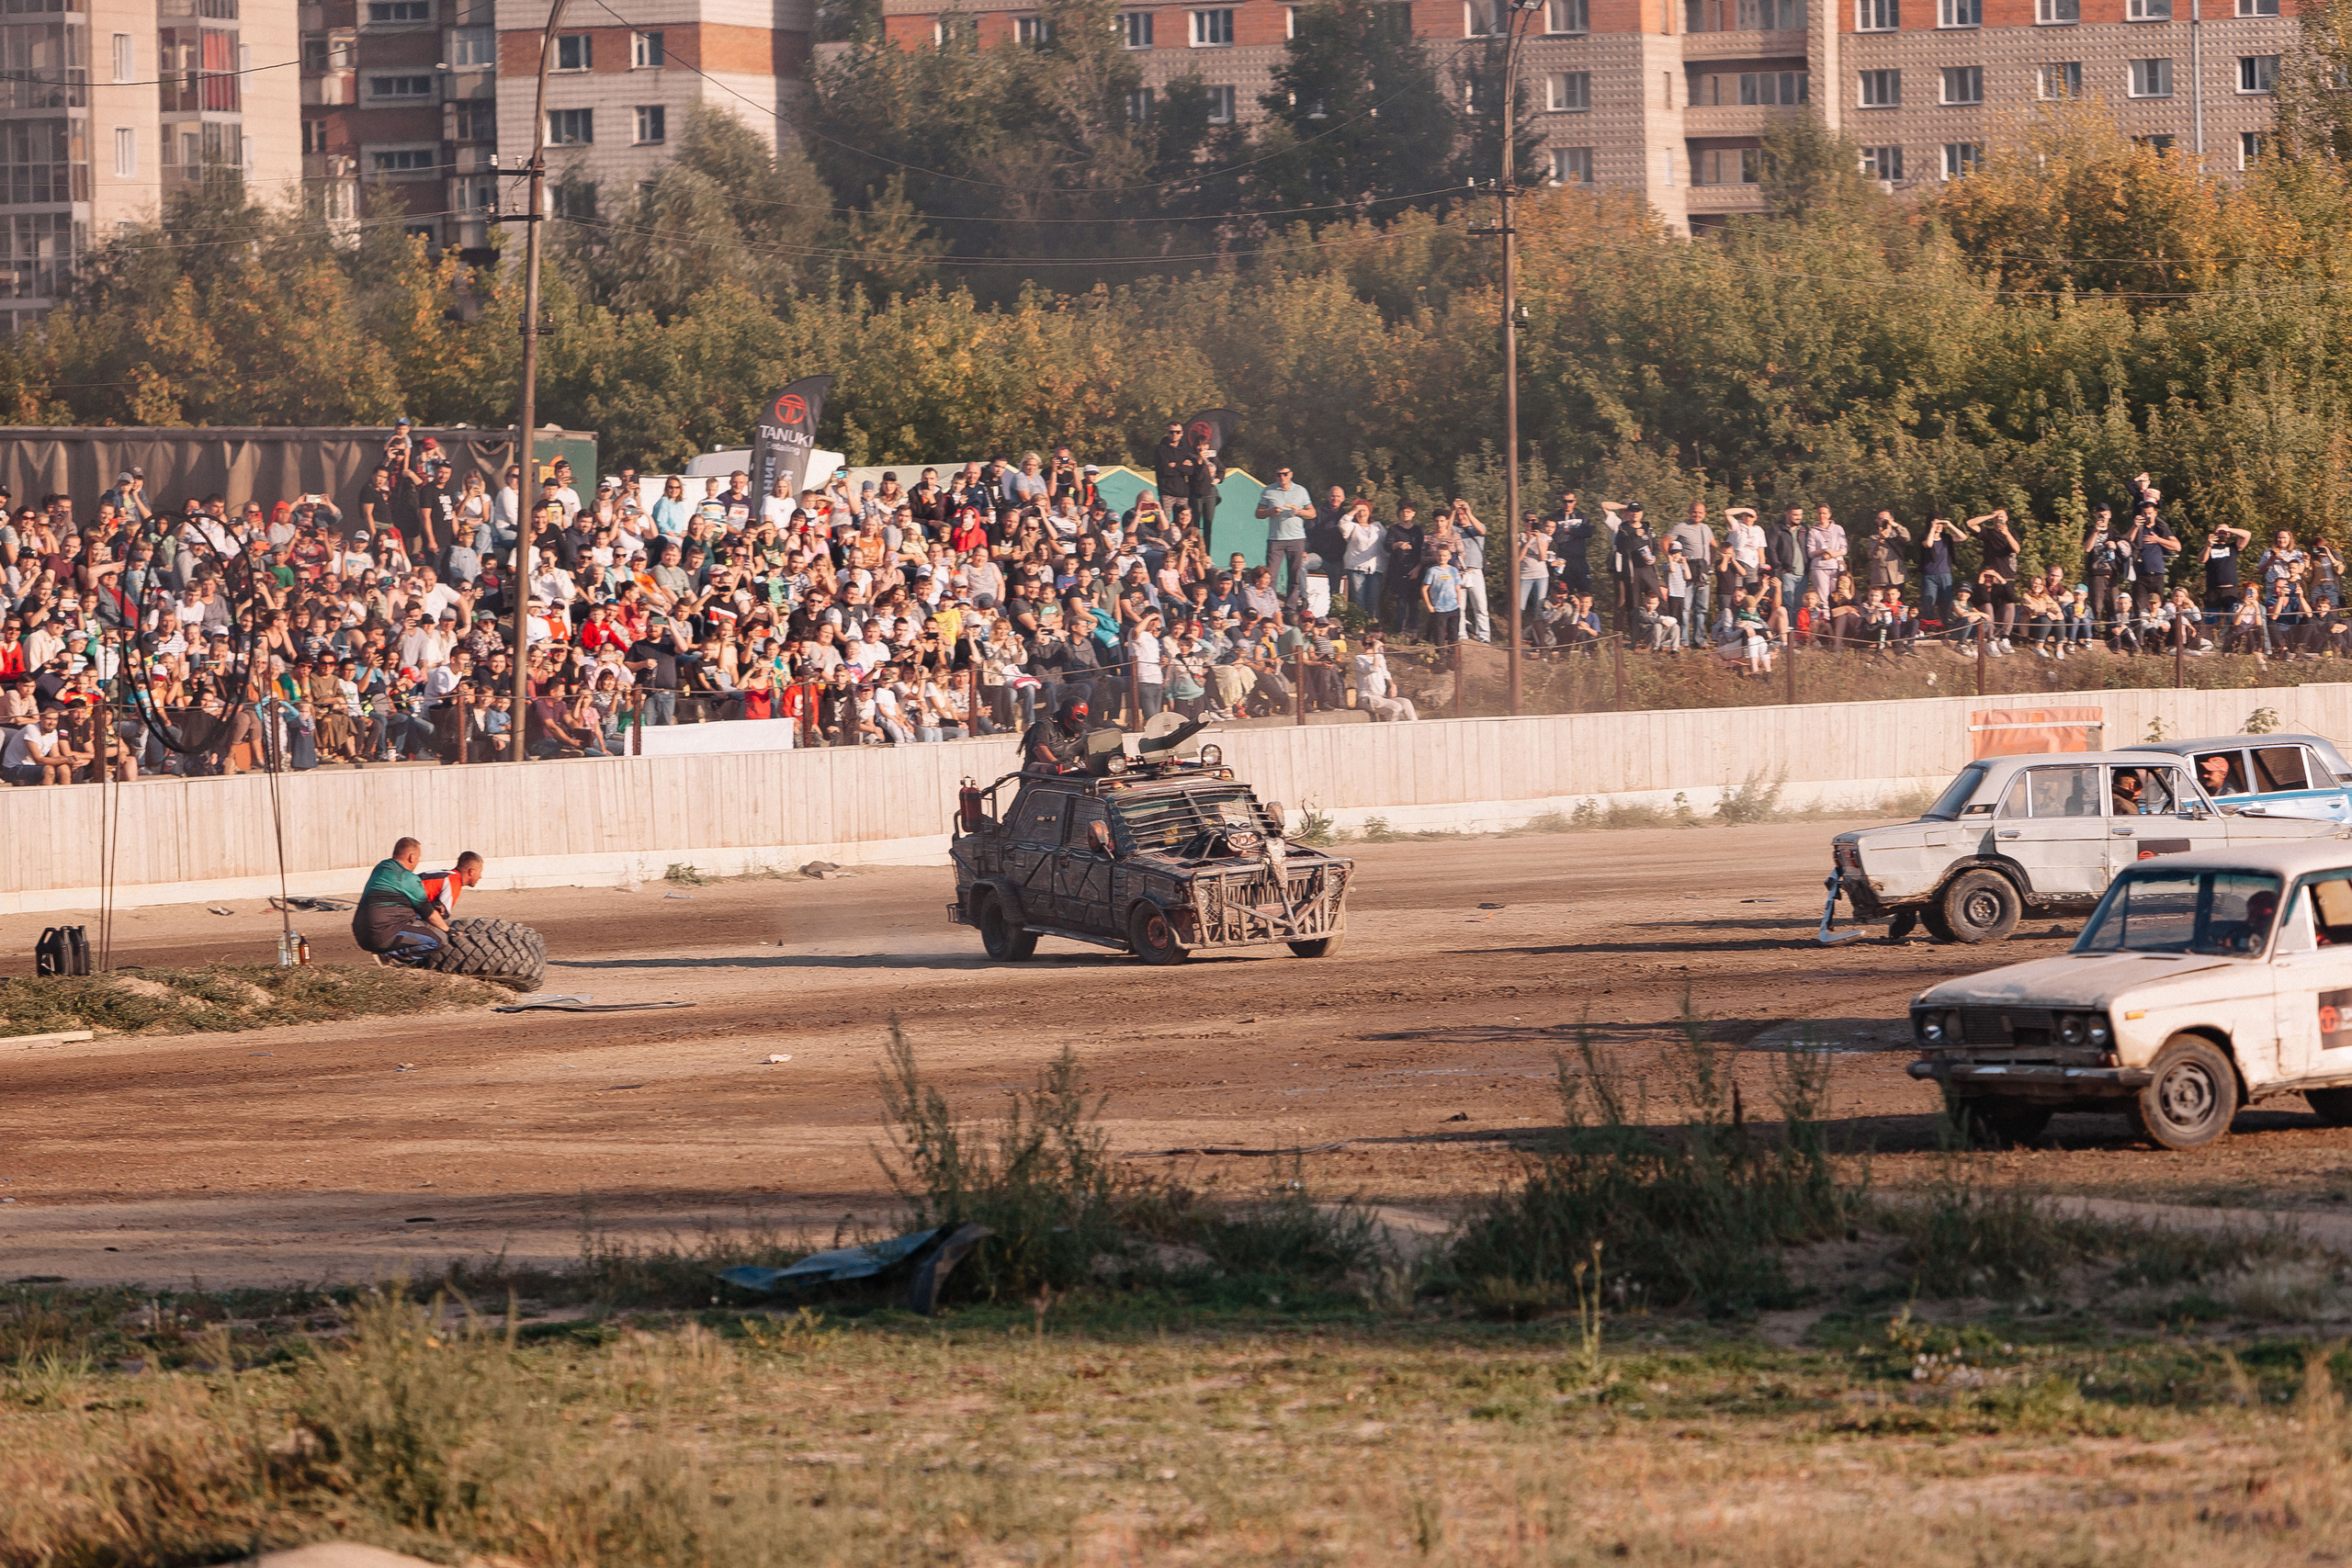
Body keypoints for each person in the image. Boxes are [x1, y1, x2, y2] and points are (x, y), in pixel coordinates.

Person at [351, 835, 447, 965]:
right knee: (438, 940)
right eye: (418, 857)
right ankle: (391, 959)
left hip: (360, 933)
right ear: (412, 857)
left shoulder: (381, 868)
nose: (418, 861)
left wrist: (432, 906)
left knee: (420, 919)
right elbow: (427, 912)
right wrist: (448, 930)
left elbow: (398, 901)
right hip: (380, 935)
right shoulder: (406, 878)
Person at [1256, 466, 1313, 614]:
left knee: (1294, 575)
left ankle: (1290, 608)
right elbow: (1258, 513)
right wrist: (1270, 511)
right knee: (1271, 575)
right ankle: (1272, 607)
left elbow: (1312, 513)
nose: (1282, 477)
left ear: (1291, 475)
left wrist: (1301, 512)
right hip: (1276, 539)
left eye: (1285, 474)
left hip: (1297, 538)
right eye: (1278, 475)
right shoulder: (1269, 491)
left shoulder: (1301, 491)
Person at [1019, 695, 1090, 773]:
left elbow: (1088, 755)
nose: (1078, 722)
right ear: (1066, 713)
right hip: (1038, 776)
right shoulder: (1044, 726)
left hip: (1067, 776)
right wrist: (1058, 766)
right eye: (1078, 716)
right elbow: (1040, 749)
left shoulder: (1081, 732)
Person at [421, 850, 484, 917]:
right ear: (471, 871)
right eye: (479, 872)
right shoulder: (454, 881)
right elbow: (442, 912)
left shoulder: (447, 874)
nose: (480, 876)